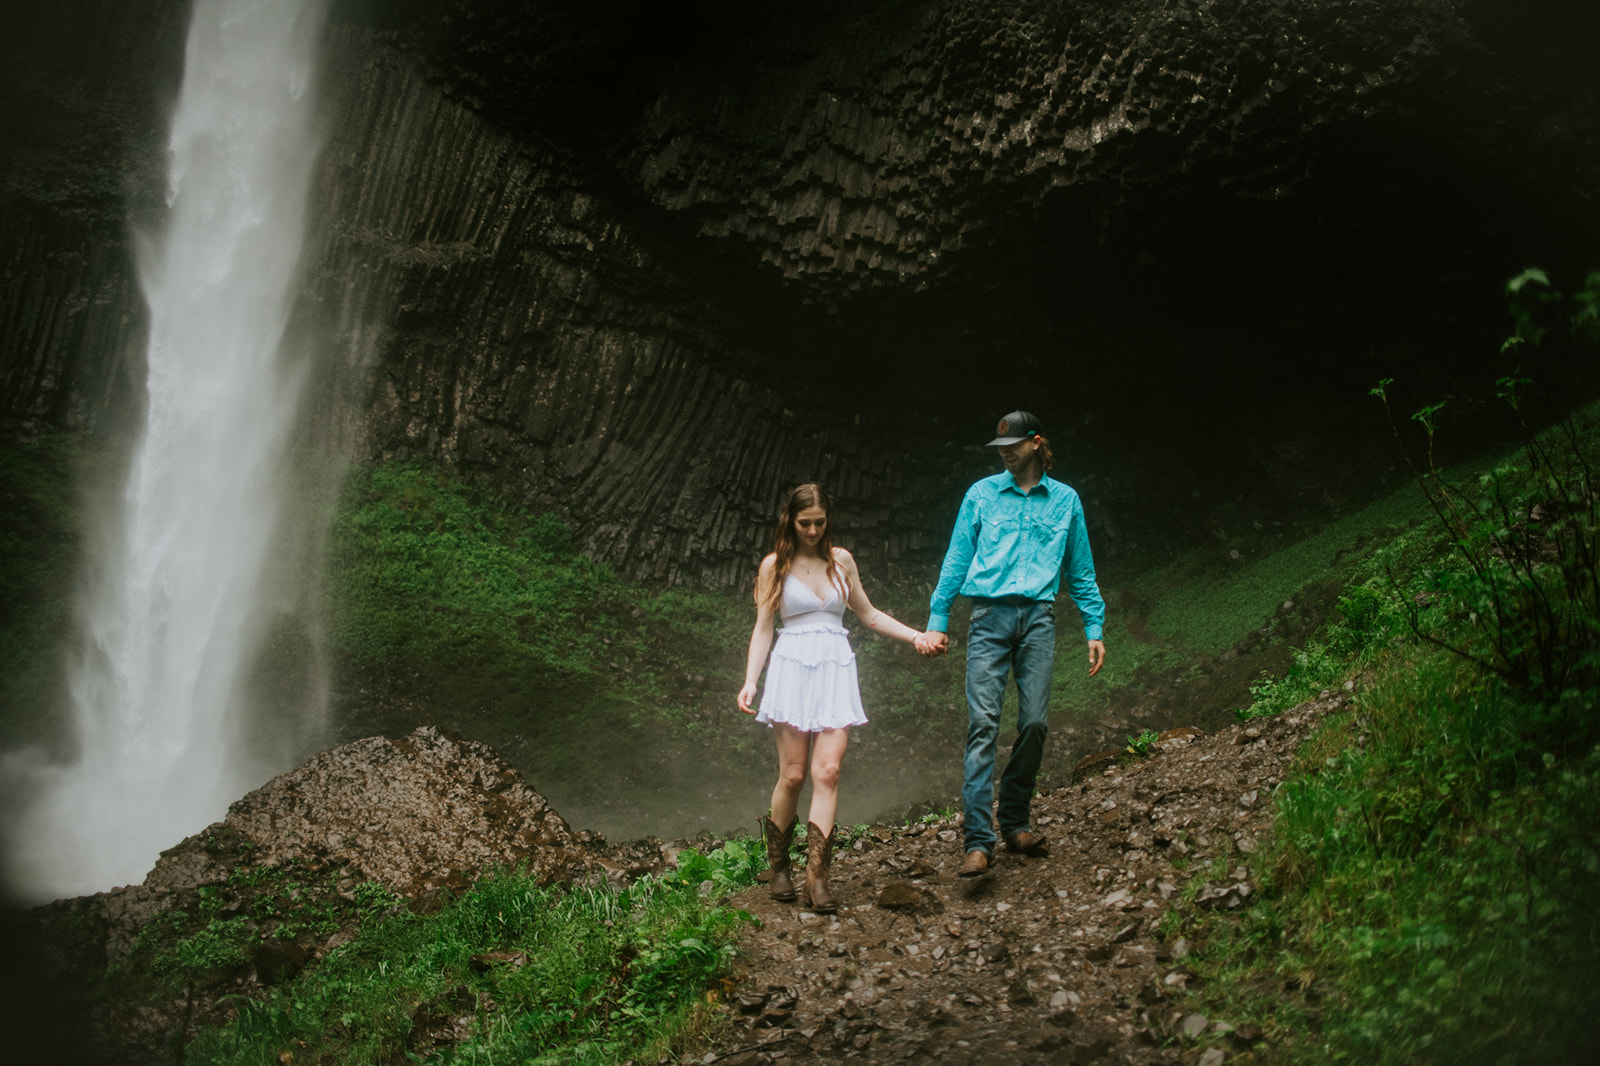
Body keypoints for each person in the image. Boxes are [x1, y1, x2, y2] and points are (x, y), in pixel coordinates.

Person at [914, 411, 1107, 877]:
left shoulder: (1065, 501)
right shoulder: (981, 495)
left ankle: (1015, 818)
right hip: (988, 619)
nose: (1006, 451)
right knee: (983, 725)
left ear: (1037, 443)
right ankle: (978, 843)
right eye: (1001, 445)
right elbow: (956, 559)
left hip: (1038, 619)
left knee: (1036, 723)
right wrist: (938, 620)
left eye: (1016, 444)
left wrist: (1093, 627)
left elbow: (1079, 569)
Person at [738, 482, 932, 912]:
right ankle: (779, 867)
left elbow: (870, 615)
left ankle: (818, 879)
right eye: (804, 523)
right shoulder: (775, 566)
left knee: (827, 772)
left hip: (834, 669)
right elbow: (764, 628)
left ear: (828, 521)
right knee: (792, 776)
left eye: (819, 523)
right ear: (790, 520)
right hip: (791, 668)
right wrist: (751, 680)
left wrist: (917, 636)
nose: (811, 531)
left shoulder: (841, 561)